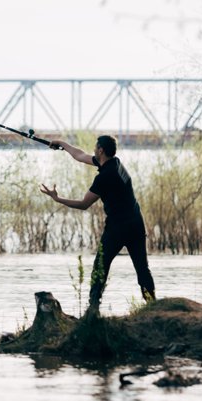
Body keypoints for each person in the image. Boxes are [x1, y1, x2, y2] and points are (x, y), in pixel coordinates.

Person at [39, 135, 155, 315]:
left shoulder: (105, 177)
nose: (93, 149)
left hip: (118, 227)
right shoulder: (115, 163)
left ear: (101, 150)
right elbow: (80, 155)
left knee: (100, 266)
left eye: (96, 147)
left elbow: (84, 204)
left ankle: (92, 310)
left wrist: (57, 198)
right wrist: (61, 143)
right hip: (136, 224)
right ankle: (153, 307)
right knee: (142, 268)